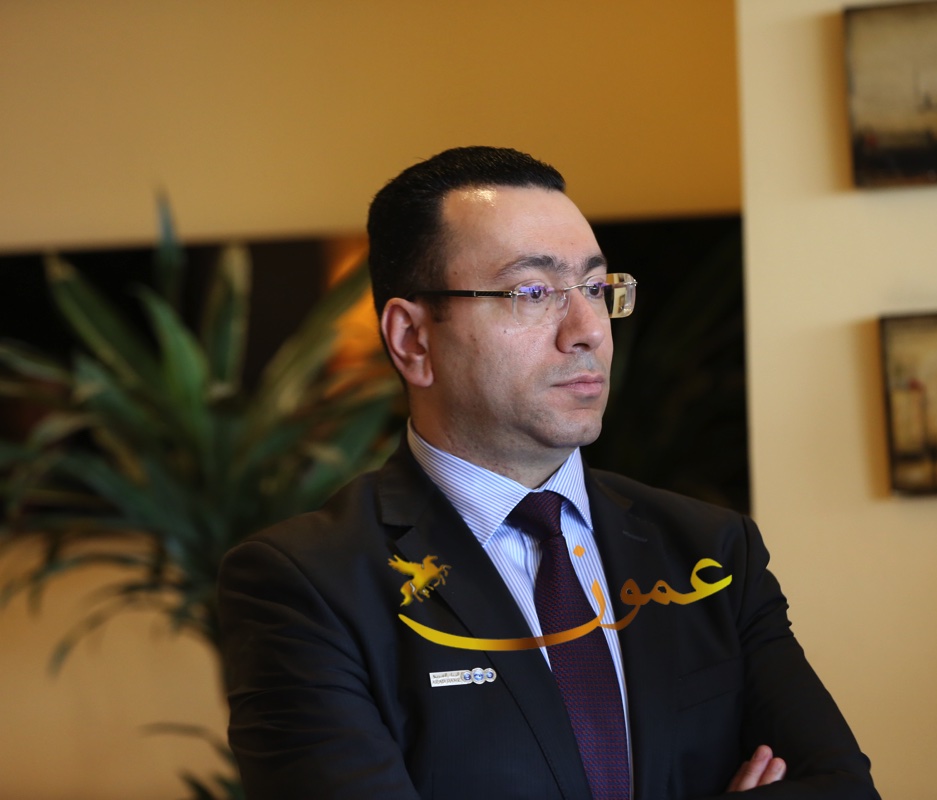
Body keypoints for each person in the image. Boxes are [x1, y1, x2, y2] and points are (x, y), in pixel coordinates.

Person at [218, 146, 880, 799]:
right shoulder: (308, 586)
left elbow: (842, 786)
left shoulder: (709, 550)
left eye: (594, 288)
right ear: (413, 340)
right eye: (532, 293)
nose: (588, 329)